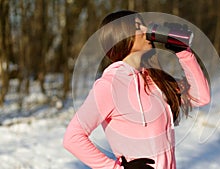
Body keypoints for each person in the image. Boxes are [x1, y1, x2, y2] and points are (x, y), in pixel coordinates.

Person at [63, 10, 210, 169]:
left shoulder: (154, 79)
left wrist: (183, 52)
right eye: (138, 26)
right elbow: (73, 138)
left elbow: (201, 97)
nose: (146, 30)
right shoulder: (110, 84)